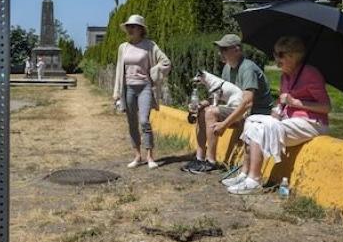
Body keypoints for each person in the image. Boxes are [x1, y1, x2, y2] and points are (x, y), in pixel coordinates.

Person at [224, 36, 330, 195]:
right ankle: (245, 174)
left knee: (261, 128)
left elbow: (326, 107)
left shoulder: (310, 74)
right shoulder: (285, 77)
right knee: (252, 122)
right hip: (290, 120)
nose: (276, 59)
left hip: (311, 122)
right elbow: (283, 103)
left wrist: (296, 103)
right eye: (275, 54)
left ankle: (254, 180)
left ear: (293, 56)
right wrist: (278, 110)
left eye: (280, 55)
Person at [184, 34, 273, 174]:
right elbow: (219, 97)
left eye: (224, 49)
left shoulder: (247, 68)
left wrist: (224, 124)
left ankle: (211, 162)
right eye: (220, 49)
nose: (220, 52)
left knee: (211, 112)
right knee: (203, 111)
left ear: (237, 50)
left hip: (255, 114)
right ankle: (200, 158)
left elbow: (248, 102)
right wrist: (199, 105)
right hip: (238, 109)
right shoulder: (227, 68)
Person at [112, 14, 171, 170]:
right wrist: (117, 92)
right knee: (131, 123)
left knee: (144, 121)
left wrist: (154, 71)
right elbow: (119, 70)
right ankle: (137, 156)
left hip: (145, 86)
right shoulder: (123, 47)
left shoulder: (150, 45)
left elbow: (165, 62)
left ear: (140, 29)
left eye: (133, 27)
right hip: (128, 88)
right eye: (128, 27)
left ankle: (150, 156)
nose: (130, 29)